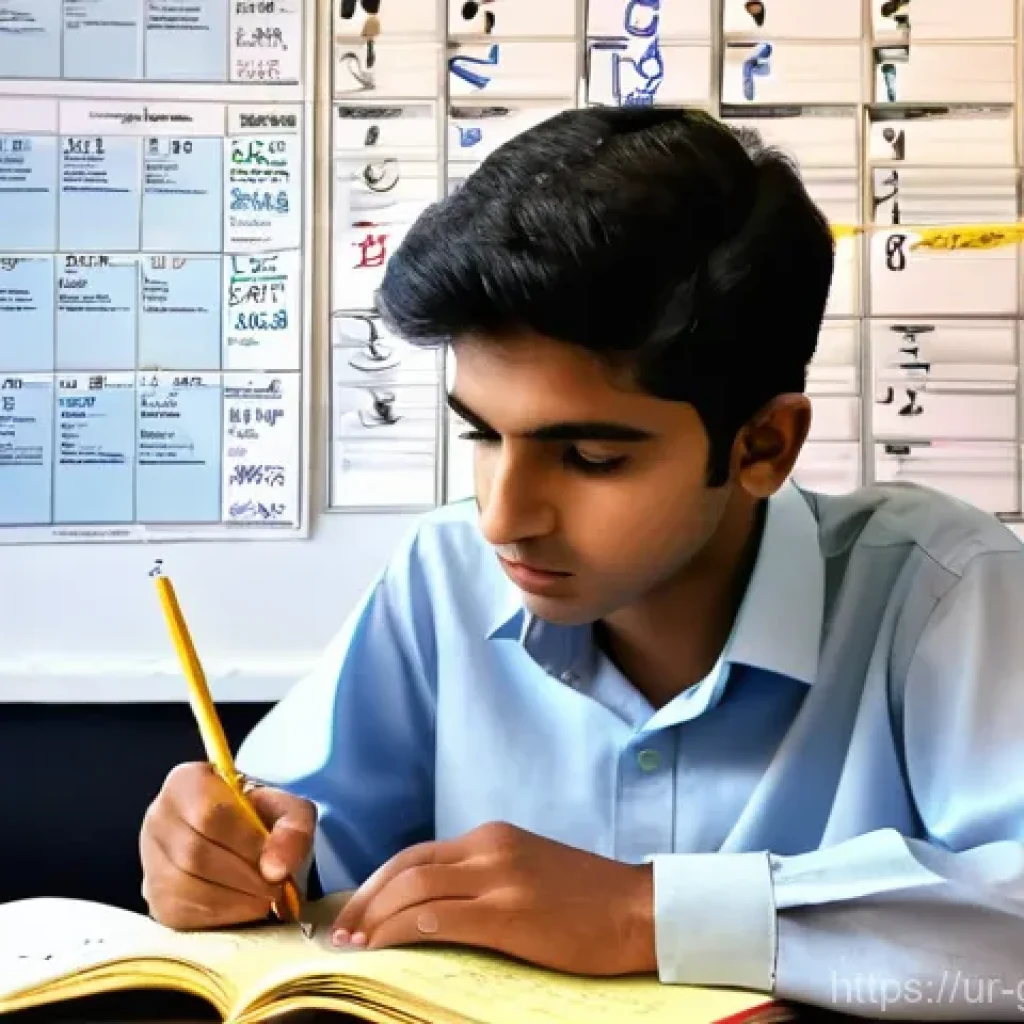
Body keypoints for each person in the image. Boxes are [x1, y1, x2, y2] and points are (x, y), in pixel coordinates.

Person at [140, 107, 1024, 1018]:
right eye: (482, 434)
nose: (501, 518)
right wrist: (221, 858)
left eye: (591, 459)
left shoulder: (941, 590)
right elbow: (295, 847)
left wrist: (644, 914)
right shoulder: (442, 575)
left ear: (764, 443)